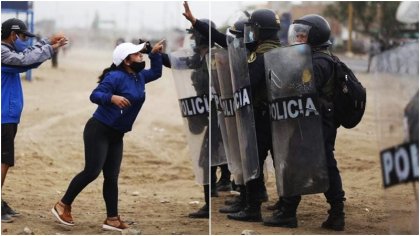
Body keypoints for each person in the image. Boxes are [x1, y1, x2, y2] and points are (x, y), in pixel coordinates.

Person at [51, 40, 164, 231]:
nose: (140, 56)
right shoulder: (115, 77)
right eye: (137, 54)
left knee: (111, 176)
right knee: (92, 171)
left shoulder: (139, 77)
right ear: (126, 61)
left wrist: (155, 54)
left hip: (116, 134)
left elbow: (156, 72)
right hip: (99, 130)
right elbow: (95, 95)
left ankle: (112, 219)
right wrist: (112, 97)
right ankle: (62, 205)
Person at [263, 14, 346, 231]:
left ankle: (291, 213)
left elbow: (301, 88)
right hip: (312, 119)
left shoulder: (319, 62)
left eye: (302, 34)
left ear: (315, 37)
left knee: (308, 161)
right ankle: (331, 212)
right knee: (320, 162)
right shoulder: (314, 57)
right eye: (297, 33)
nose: (297, 38)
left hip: (317, 121)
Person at [1, 18, 68, 223]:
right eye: (22, 37)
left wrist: (50, 45)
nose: (24, 41)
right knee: (4, 160)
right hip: (3, 115)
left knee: (4, 160)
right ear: (13, 36)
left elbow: (28, 60)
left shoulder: (7, 51)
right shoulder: (3, 52)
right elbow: (24, 60)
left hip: (7, 114)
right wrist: (48, 45)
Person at [225, 8, 281, 222]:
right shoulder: (284, 52)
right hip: (282, 118)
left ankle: (253, 208)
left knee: (253, 161)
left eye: (253, 29)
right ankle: (286, 206)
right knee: (282, 160)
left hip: (262, 117)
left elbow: (246, 84)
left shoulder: (259, 58)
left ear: (260, 31)